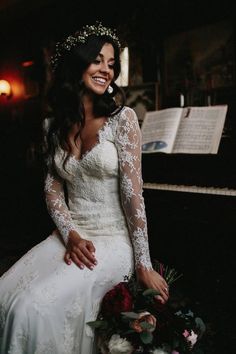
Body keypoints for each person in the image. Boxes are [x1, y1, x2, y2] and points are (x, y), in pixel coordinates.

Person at [0, 21, 169, 353]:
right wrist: (71, 234)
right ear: (78, 64)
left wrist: (143, 265)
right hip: (71, 237)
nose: (106, 70)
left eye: (111, 63)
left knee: (30, 308)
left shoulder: (124, 119)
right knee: (6, 294)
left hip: (111, 242)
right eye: (98, 60)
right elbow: (52, 191)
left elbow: (134, 197)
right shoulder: (56, 124)